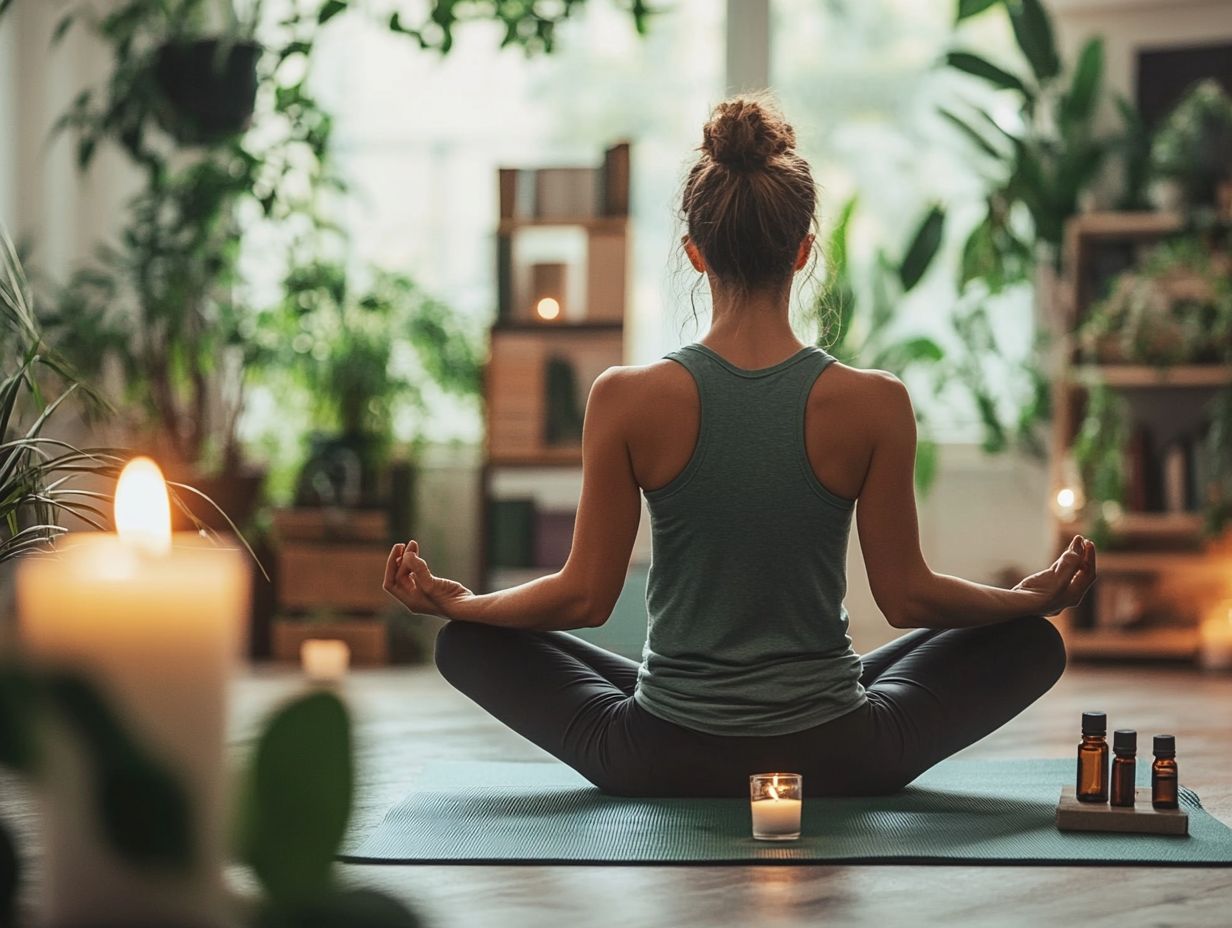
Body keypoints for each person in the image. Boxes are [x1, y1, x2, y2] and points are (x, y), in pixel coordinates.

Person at [382, 94, 1096, 798]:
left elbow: (582, 598)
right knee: (1030, 641)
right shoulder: (877, 402)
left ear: (695, 253)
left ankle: (695, 699)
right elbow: (908, 597)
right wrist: (1021, 600)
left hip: (660, 753)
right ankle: (810, 695)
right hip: (841, 752)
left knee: (465, 643)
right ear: (804, 251)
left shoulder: (624, 397)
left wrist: (464, 604)